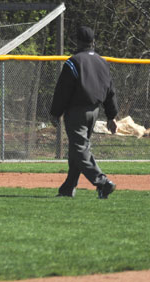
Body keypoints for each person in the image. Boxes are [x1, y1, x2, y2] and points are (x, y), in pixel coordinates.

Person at [50, 26, 117, 199]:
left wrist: (55, 112)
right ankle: (67, 188)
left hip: (77, 111)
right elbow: (110, 91)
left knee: (79, 148)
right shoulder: (102, 62)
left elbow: (63, 90)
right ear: (93, 42)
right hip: (94, 111)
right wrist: (111, 115)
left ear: (77, 41)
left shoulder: (74, 61)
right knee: (77, 149)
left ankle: (102, 182)